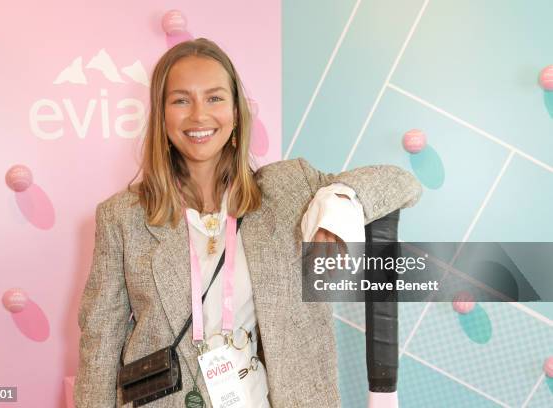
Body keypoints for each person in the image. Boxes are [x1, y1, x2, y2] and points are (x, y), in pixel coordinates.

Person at [74, 38, 421, 407]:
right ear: (161, 115)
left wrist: (336, 206)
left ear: (236, 112)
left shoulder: (289, 190)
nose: (198, 116)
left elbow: (400, 182)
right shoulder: (122, 216)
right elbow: (100, 344)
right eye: (180, 100)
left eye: (214, 98)